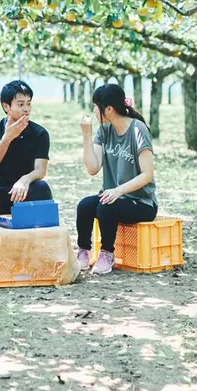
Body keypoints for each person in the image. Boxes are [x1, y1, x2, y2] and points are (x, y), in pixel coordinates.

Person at [77, 83, 157, 275]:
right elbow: (93, 168)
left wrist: (118, 190)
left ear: (109, 109)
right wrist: (86, 136)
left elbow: (147, 174)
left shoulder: (138, 130)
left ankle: (107, 253)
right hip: (114, 197)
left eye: (97, 106)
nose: (94, 111)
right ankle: (84, 252)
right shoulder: (104, 131)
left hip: (142, 203)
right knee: (85, 206)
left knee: (106, 207)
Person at [0, 80, 53, 218]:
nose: (26, 109)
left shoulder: (39, 133)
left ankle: (44, 234)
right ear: (6, 107)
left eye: (29, 103)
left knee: (41, 187)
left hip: (23, 192)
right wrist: (7, 138)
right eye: (20, 104)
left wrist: (25, 180)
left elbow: (40, 170)